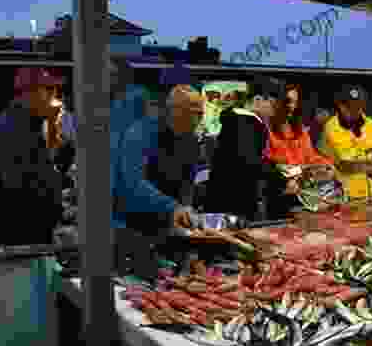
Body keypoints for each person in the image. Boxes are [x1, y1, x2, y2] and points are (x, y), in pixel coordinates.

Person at [113, 65, 205, 237]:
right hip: (131, 221)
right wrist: (173, 207)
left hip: (170, 223)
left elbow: (187, 183)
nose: (197, 120)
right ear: (174, 110)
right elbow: (133, 182)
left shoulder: (191, 141)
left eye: (200, 114)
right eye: (193, 113)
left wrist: (186, 209)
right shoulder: (141, 133)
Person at [205, 76, 299, 221]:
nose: (275, 110)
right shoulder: (247, 123)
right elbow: (250, 162)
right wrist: (282, 180)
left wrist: (276, 169)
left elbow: (250, 158)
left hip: (224, 200)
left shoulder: (238, 120)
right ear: (257, 100)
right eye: (273, 104)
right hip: (233, 204)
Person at [0, 67, 64, 246]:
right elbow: (18, 188)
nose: (56, 98)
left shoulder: (29, 123)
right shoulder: (13, 128)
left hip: (31, 230)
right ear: (28, 93)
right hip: (23, 235)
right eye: (49, 90)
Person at [320, 84, 372, 202]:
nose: (356, 111)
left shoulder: (369, 123)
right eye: (350, 107)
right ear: (341, 106)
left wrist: (363, 149)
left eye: (359, 106)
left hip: (370, 194)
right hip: (342, 196)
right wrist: (370, 148)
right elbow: (347, 158)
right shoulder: (332, 127)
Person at [267, 83, 334, 169]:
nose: (292, 106)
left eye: (295, 102)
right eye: (288, 101)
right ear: (275, 102)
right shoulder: (266, 129)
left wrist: (328, 163)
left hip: (302, 178)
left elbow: (311, 156)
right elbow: (271, 163)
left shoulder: (299, 129)